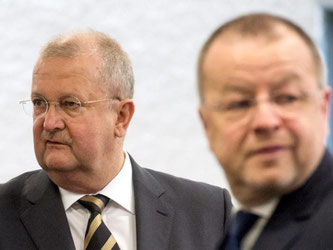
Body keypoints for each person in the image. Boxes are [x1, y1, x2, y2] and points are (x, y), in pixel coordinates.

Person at [0, 30, 232, 250]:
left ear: (121, 117)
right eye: (39, 103)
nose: (49, 123)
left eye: (70, 104)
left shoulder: (208, 213)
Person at [198, 13, 333, 250]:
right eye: (239, 103)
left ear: (323, 109)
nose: (266, 121)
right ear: (207, 126)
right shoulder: (238, 233)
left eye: (287, 97)